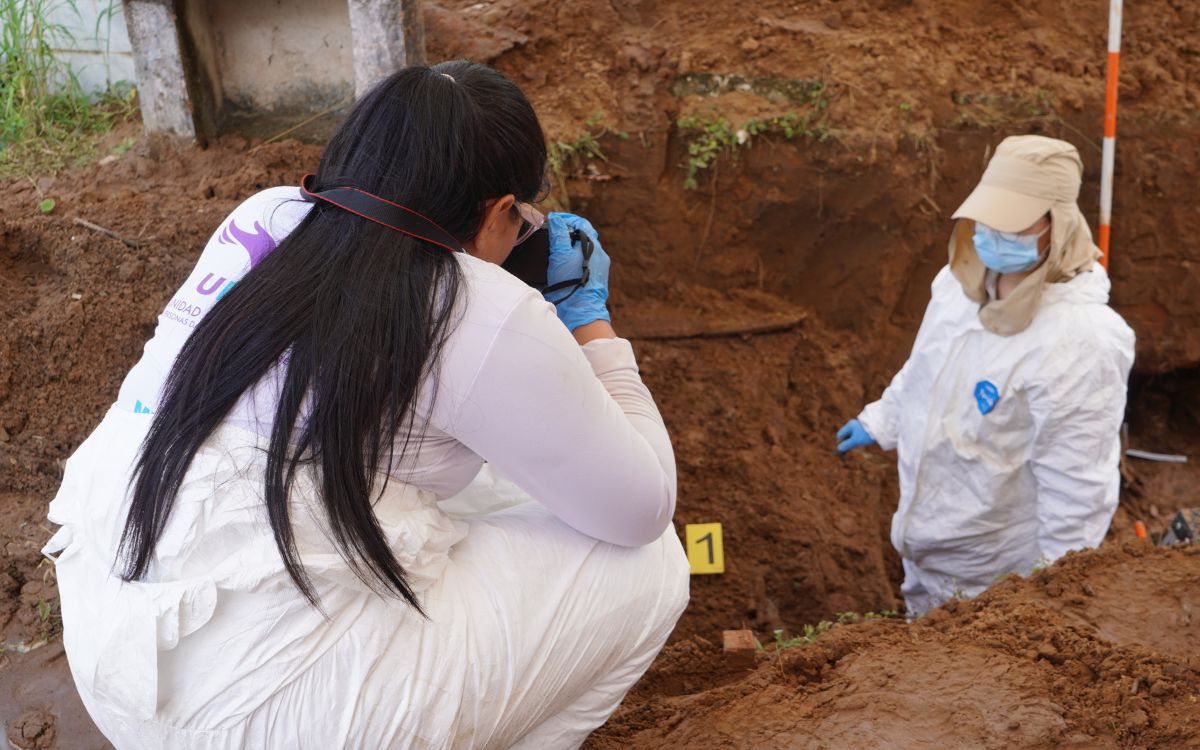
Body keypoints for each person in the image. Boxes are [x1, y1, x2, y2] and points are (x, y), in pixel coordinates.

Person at [43, 61, 689, 749]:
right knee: (648, 565)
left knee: (457, 466)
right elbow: (641, 509)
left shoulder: (264, 217)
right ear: (501, 211)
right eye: (520, 218)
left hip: (119, 651)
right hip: (267, 715)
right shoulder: (481, 306)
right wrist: (590, 326)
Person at [836, 135, 1135, 616]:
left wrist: (1051, 595)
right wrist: (882, 420)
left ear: (1055, 225)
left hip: (996, 572)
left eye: (1011, 225)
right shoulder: (958, 285)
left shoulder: (1081, 341)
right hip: (928, 538)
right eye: (987, 219)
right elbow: (927, 367)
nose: (992, 233)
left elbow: (1077, 485)